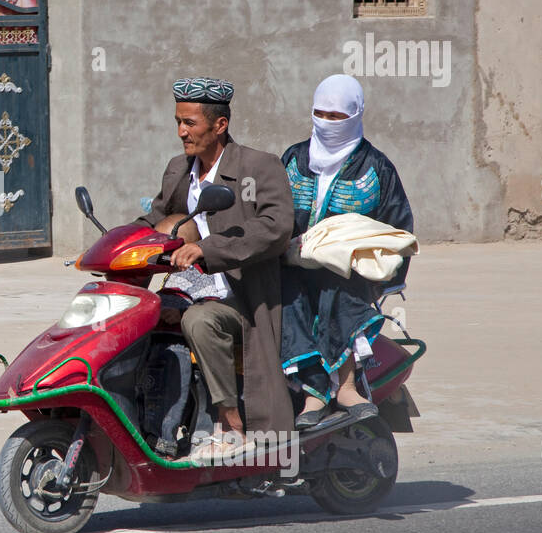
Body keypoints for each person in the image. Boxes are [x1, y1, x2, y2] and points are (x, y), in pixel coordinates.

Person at [133, 78, 295, 461]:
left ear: (219, 125)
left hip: (243, 297)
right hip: (188, 286)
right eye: (178, 121)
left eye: (189, 123)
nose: (181, 132)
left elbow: (274, 228)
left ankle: (230, 424)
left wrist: (207, 250)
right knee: (138, 318)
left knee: (201, 322)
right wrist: (115, 245)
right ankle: (159, 426)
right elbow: (154, 219)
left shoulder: (258, 166)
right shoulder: (178, 169)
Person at [280, 74, 414, 429]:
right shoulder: (293, 159)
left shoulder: (377, 167)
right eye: (321, 114)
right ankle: (311, 388)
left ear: (356, 115)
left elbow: (398, 229)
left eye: (337, 116)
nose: (327, 123)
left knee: (336, 284)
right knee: (283, 289)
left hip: (349, 274)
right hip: (293, 265)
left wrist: (383, 279)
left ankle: (345, 386)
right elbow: (272, 215)